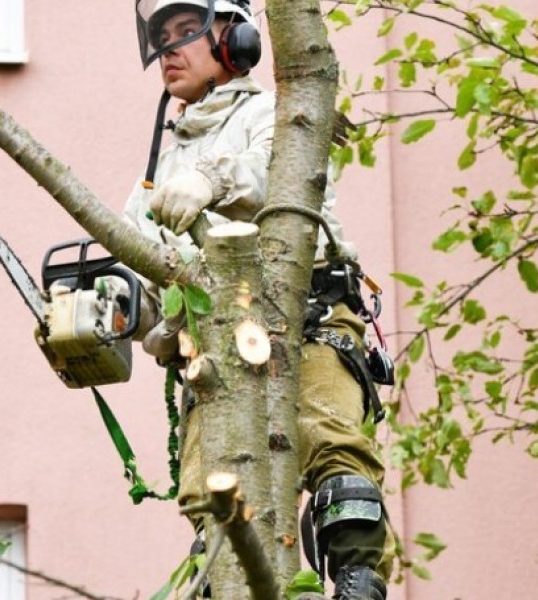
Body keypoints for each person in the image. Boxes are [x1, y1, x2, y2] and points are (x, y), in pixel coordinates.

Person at [122, 2, 396, 599]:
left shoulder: (278, 115)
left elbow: (284, 177)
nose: (169, 48)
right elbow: (143, 280)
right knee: (209, 493)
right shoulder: (159, 171)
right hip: (218, 351)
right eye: (160, 37)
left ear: (234, 38)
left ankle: (358, 580)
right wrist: (111, 310)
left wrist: (213, 182)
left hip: (310, 318)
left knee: (330, 441)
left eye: (184, 33)